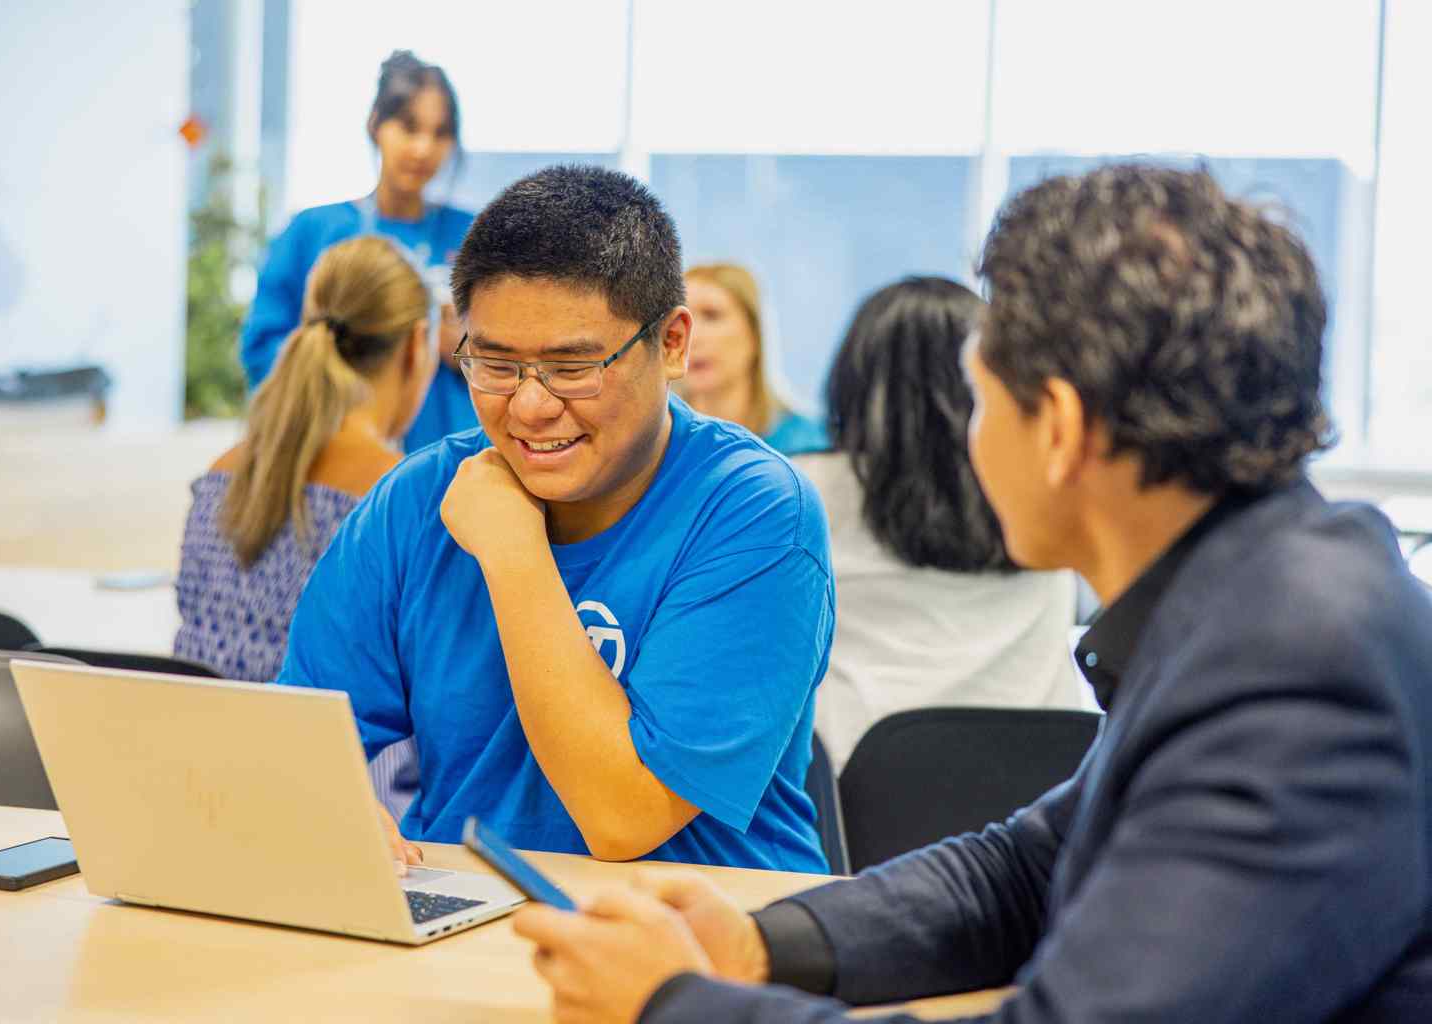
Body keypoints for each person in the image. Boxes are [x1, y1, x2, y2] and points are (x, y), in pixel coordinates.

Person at [511, 164, 1432, 1023]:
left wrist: (672, 1003)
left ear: (1059, 429)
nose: (969, 439)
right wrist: (757, 943)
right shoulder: (1254, 591)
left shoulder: (1299, 672)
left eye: (979, 400)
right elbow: (1027, 873)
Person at [278, 165, 834, 873]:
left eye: (572, 368)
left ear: (670, 344)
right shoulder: (417, 499)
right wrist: (337, 807)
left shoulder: (755, 512)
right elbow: (300, 742)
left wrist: (513, 553)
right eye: (494, 363)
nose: (530, 406)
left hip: (702, 935)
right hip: (468, 919)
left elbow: (622, 815)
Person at [799, 276, 1084, 773]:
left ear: (854, 385)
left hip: (858, 809)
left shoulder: (800, 494)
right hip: (1043, 794)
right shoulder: (1054, 491)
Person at [175, 235, 434, 683]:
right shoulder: (405, 498)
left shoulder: (221, 475)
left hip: (196, 746)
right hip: (337, 753)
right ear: (417, 345)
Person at [240, 49, 478, 453]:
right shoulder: (313, 232)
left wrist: (470, 350)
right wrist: (354, 347)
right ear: (375, 125)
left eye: (440, 133)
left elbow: (527, 356)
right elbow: (262, 352)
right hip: (337, 458)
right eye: (408, 126)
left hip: (454, 463)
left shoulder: (474, 235)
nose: (423, 148)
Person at [681, 263, 827, 454]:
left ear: (754, 334)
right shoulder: (651, 449)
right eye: (681, 319)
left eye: (711, 316)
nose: (691, 336)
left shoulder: (811, 445)